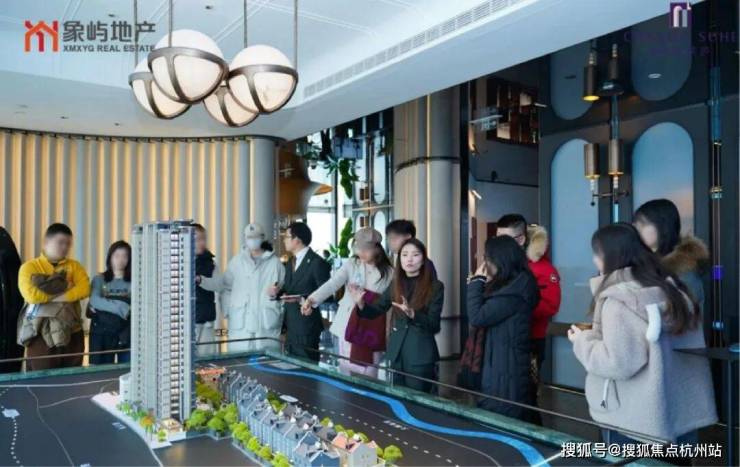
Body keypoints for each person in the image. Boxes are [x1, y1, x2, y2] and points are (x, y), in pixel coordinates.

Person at [569, 223, 716, 446]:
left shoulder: (619, 301)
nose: (594, 260)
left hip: (634, 419)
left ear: (611, 256)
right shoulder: (671, 289)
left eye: (596, 254)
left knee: (629, 461)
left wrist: (581, 340)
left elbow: (618, 363)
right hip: (678, 414)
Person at [348, 238, 443, 393]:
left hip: (420, 356)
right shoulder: (395, 284)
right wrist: (361, 303)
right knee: (398, 399)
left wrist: (413, 314)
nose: (409, 259)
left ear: (423, 259)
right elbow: (377, 309)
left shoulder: (435, 287)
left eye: (415, 255)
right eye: (404, 255)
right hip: (396, 353)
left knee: (419, 401)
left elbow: (434, 325)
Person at [303, 228, 393, 377]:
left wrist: (387, 332)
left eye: (366, 249)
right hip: (347, 325)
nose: (361, 253)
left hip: (371, 328)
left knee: (369, 372)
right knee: (345, 368)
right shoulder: (352, 264)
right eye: (359, 248)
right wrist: (312, 299)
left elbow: (387, 306)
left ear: (377, 248)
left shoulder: (389, 273)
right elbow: (333, 283)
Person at [467, 235, 539, 421]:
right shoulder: (514, 285)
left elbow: (477, 317)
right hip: (501, 362)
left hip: (505, 369)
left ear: (499, 260)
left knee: (503, 417)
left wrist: (476, 282)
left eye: (487, 258)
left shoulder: (513, 291)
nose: (484, 263)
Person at [200, 223, 284, 353]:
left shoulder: (275, 264)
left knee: (266, 361)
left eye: (256, 237)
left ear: (262, 238)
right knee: (240, 360)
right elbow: (225, 288)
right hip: (240, 323)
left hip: (265, 323)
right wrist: (228, 310)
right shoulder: (236, 262)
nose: (252, 241)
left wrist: (276, 298)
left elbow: (284, 291)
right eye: (249, 237)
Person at [17, 223, 91, 370]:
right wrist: (67, 289)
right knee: (41, 378)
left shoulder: (75, 266)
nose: (65, 247)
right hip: (39, 334)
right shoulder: (29, 267)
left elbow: (84, 289)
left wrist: (52, 295)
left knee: (73, 377)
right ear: (46, 242)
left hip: (72, 331)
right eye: (60, 242)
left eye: (68, 244)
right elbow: (32, 296)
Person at [496, 214, 561, 378]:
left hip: (530, 339)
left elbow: (550, 305)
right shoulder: (503, 265)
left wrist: (513, 309)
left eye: (505, 240)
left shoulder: (543, 268)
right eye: (497, 239)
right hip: (502, 337)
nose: (499, 245)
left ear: (520, 239)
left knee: (525, 387)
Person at [268, 222, 330, 362]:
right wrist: (277, 292)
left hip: (307, 326)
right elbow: (290, 289)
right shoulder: (291, 261)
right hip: (291, 325)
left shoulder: (316, 263)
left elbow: (327, 295)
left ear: (297, 240)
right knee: (292, 366)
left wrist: (303, 300)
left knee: (307, 367)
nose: (284, 240)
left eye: (287, 237)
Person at [633, 199, 708, 313]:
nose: (636, 229)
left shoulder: (686, 274)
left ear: (663, 226)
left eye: (643, 224)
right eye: (635, 224)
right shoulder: (643, 263)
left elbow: (681, 318)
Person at [88, 240, 131, 364]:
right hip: (102, 333)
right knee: (101, 371)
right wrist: (123, 307)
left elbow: (137, 306)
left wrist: (104, 305)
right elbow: (94, 301)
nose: (120, 260)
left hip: (126, 332)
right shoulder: (99, 279)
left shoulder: (135, 281)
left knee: (127, 369)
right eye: (116, 256)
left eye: (125, 256)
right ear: (110, 258)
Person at [191, 224, 218, 356]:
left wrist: (201, 280)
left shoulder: (211, 263)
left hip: (206, 319)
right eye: (198, 239)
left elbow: (219, 284)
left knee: (208, 358)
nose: (202, 243)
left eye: (204, 239)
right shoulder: (176, 262)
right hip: (185, 321)